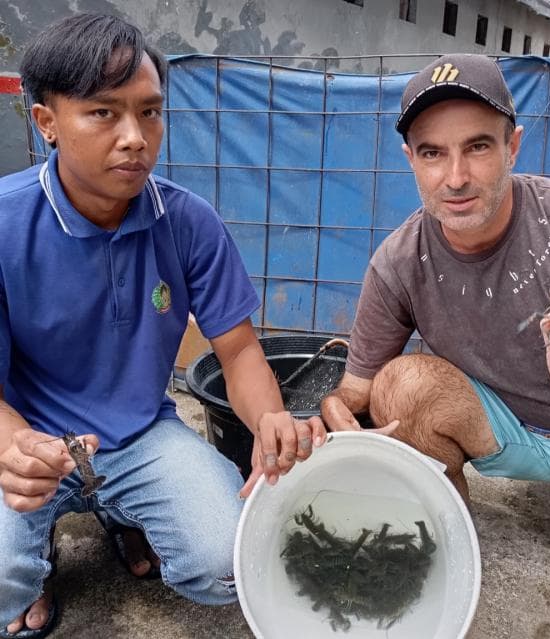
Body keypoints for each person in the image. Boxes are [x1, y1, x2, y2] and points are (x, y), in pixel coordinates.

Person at [0, 13, 325, 639]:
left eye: (149, 112)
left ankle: (125, 512)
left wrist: (269, 422)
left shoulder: (188, 221)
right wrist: (14, 447)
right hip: (30, 442)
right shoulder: (7, 225)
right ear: (47, 123)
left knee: (234, 564)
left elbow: (237, 352)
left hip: (141, 434)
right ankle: (30, 569)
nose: (135, 137)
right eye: (103, 113)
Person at [321, 53, 550, 553]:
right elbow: (356, 389)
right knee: (401, 384)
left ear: (512, 147)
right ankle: (447, 537)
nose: (455, 178)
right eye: (432, 153)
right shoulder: (399, 261)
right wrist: (333, 411)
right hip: (504, 433)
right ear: (411, 159)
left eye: (477, 147)